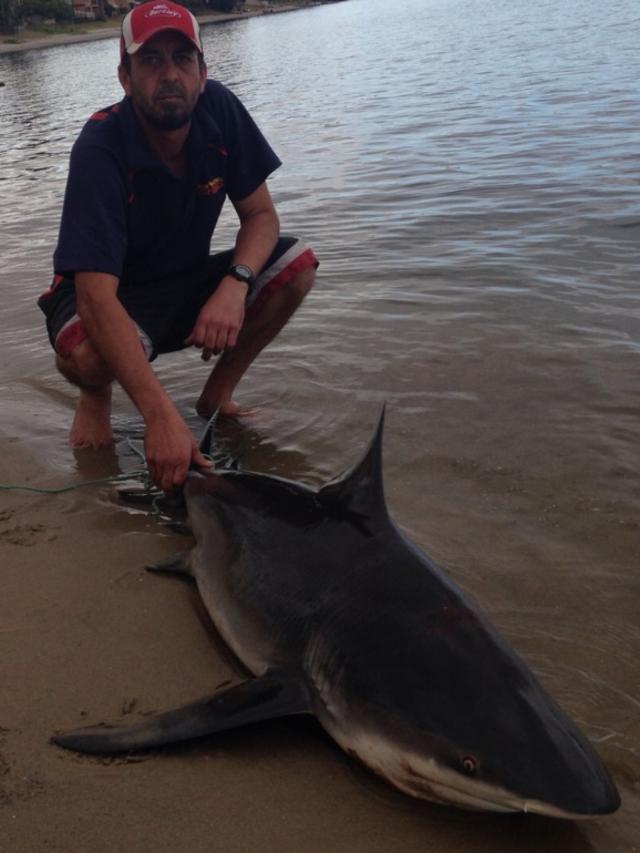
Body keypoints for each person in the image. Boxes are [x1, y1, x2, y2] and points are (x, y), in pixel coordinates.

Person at [38, 0, 318, 494]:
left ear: (203, 71)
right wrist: (160, 417)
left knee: (296, 266)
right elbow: (94, 297)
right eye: (150, 61)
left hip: (180, 280)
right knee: (90, 356)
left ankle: (217, 398)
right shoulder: (100, 145)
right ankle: (95, 396)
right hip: (104, 293)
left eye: (182, 59)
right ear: (125, 78)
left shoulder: (221, 110)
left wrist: (236, 284)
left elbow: (261, 217)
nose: (169, 75)